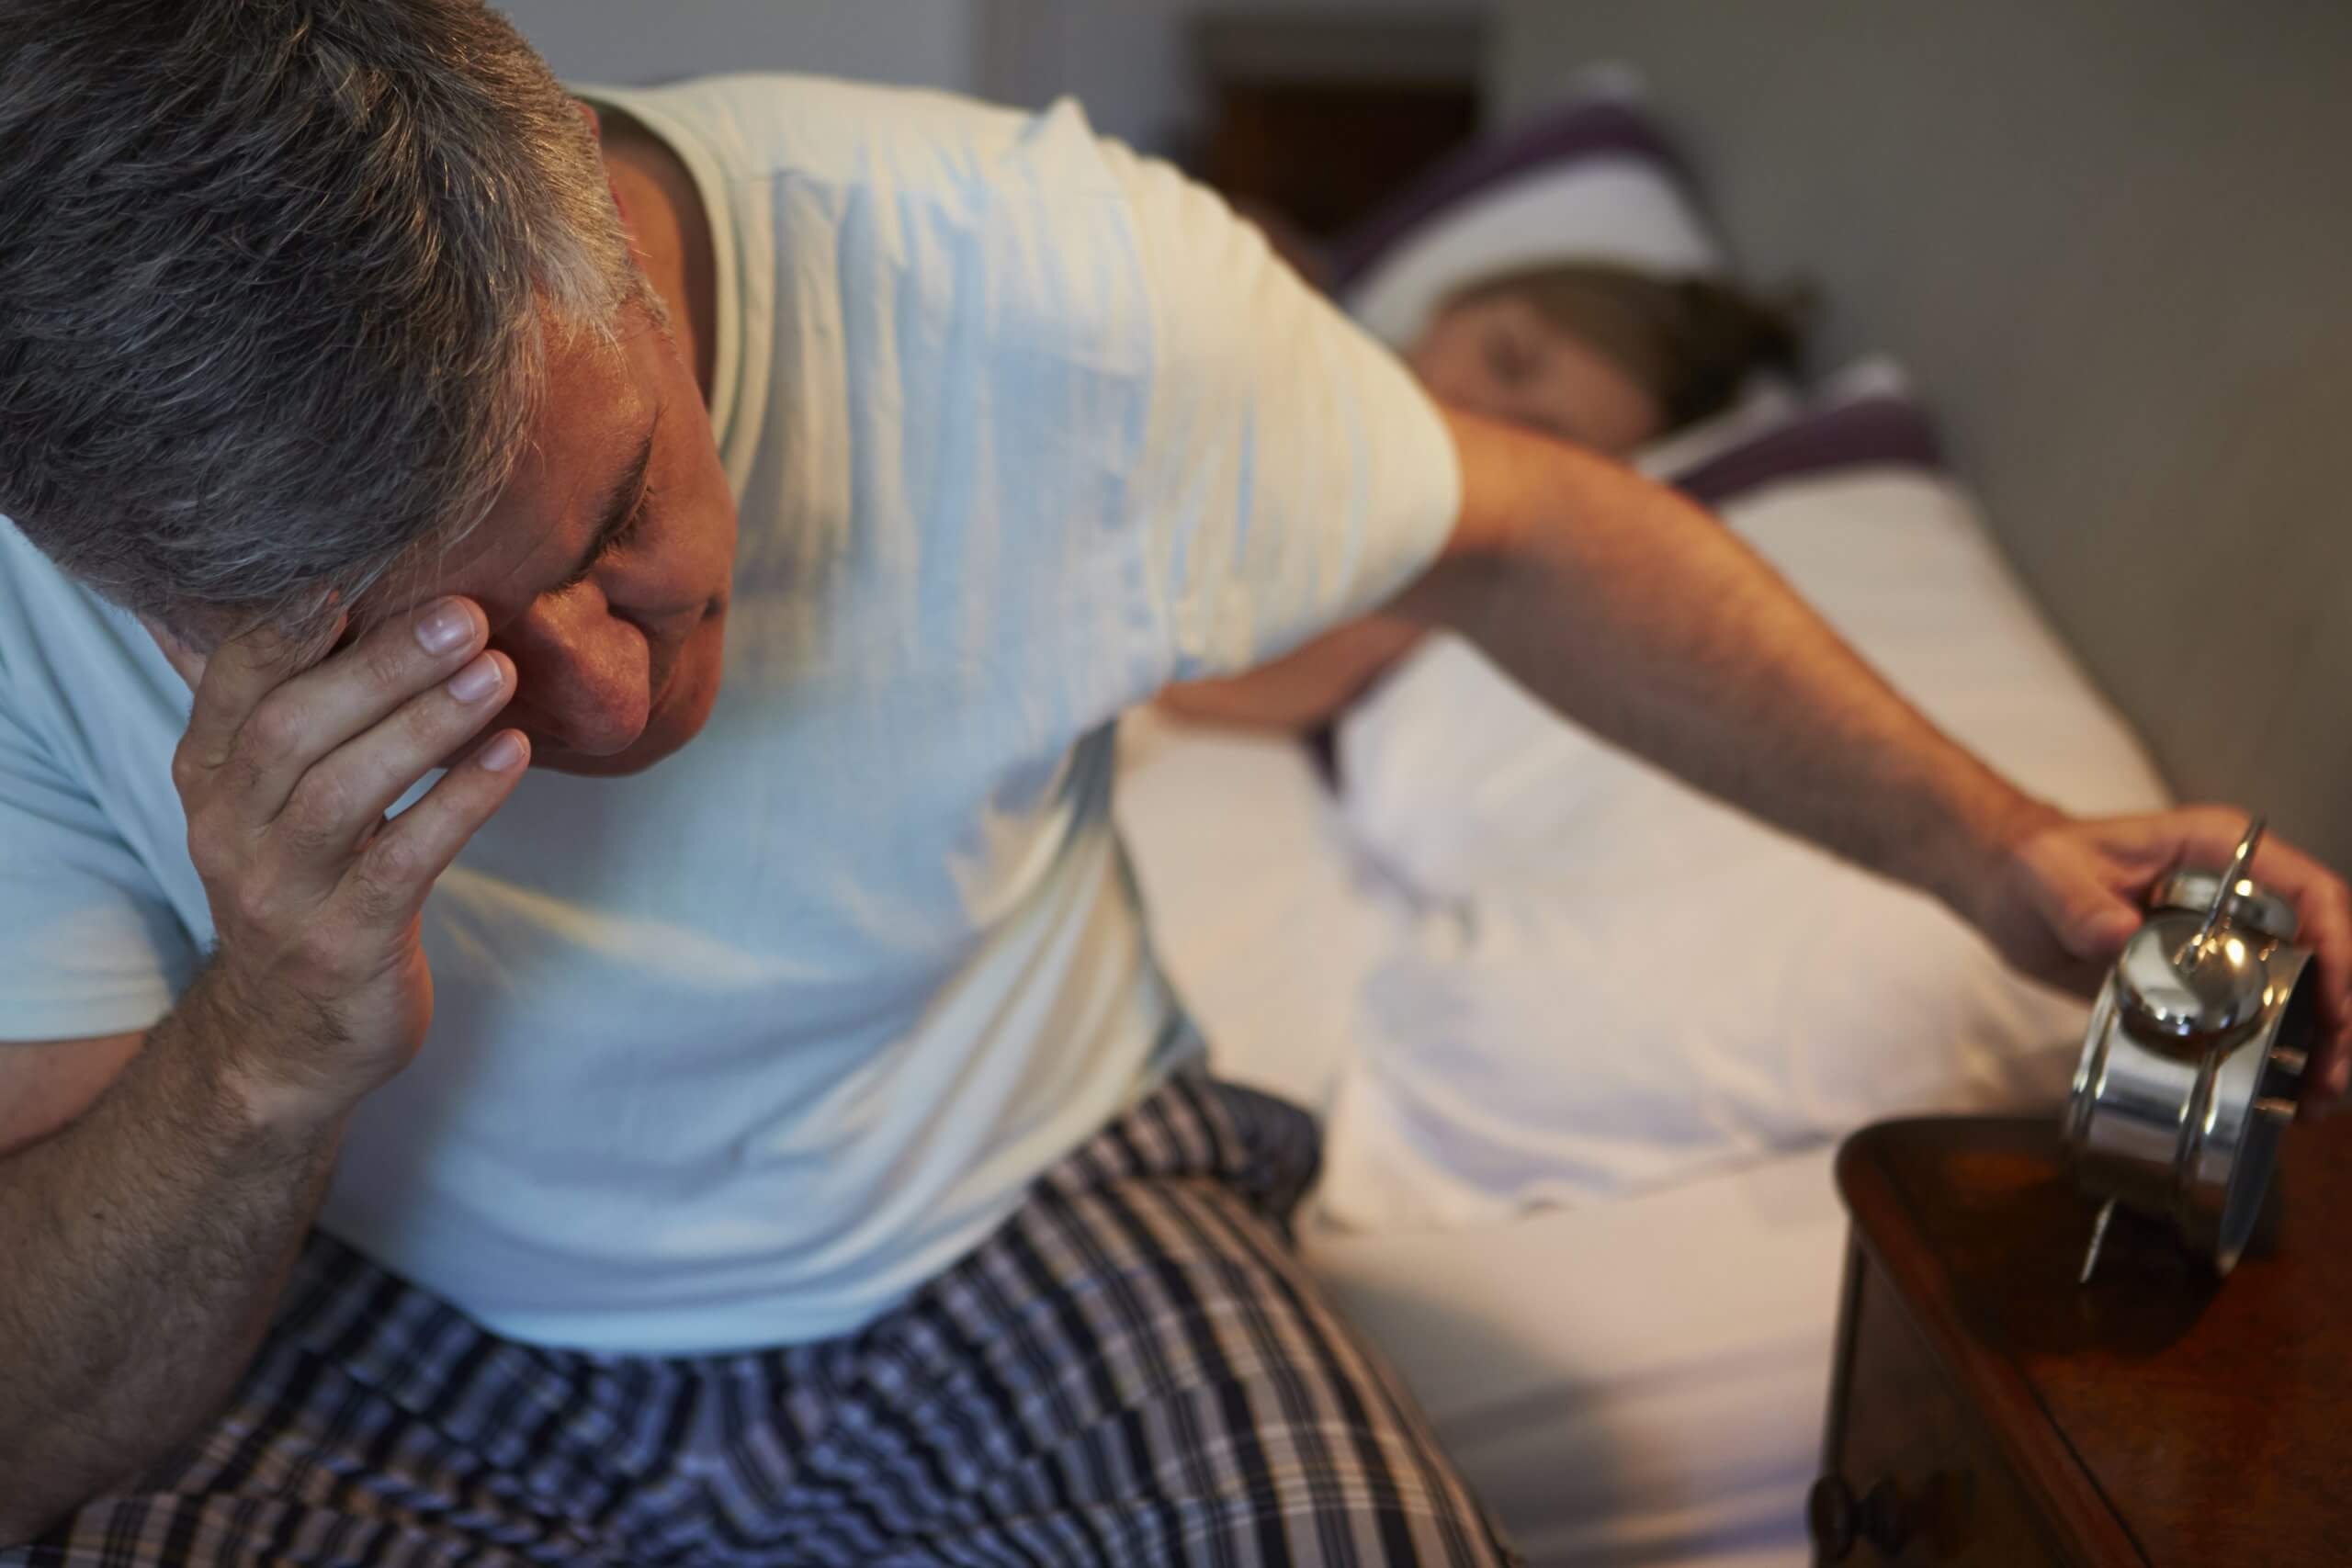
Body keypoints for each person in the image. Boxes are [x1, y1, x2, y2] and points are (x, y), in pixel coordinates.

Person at [1, 5, 2345, 1563]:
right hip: (379, 1310)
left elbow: (1525, 529)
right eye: (403, 655)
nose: (596, 698)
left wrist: (1995, 846)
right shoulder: (35, 592)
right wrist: (260, 1048)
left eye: (617, 513)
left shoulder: (1025, 282)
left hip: (1018, 1207)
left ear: (607, 227)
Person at [1165, 258, 1804, 727]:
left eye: (1529, 439)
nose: (1472, 410)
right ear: (1466, 295)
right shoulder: (1244, 299)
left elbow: (1202, 681)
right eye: (1506, 357)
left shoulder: (1400, 586)